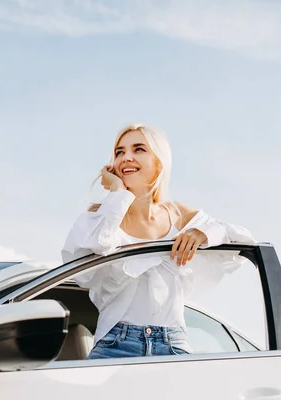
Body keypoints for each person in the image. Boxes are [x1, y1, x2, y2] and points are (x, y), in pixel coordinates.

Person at [61, 124, 256, 359]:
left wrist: (202, 233)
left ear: (159, 162)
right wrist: (118, 192)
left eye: (139, 149)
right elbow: (95, 249)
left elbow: (244, 242)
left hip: (173, 344)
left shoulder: (178, 215)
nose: (126, 157)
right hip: (115, 345)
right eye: (120, 152)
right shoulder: (100, 216)